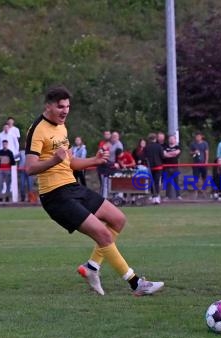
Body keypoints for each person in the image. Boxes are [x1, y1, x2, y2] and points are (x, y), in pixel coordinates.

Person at [25, 85, 163, 296]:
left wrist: (94, 160)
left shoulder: (62, 127)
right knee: (102, 234)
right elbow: (30, 168)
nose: (65, 111)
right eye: (61, 107)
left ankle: (91, 267)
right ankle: (137, 284)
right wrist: (54, 159)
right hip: (55, 196)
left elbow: (69, 162)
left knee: (118, 219)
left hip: (72, 187)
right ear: (48, 106)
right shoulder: (37, 129)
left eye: (68, 107)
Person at [144, 133, 165, 204]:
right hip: (158, 166)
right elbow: (162, 156)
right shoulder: (159, 146)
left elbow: (144, 157)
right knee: (157, 182)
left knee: (151, 182)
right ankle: (157, 197)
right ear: (155, 139)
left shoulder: (146, 147)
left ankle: (153, 196)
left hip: (150, 167)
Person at [163, 134, 182, 200]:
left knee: (176, 182)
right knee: (167, 182)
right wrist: (172, 154)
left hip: (175, 167)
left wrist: (169, 154)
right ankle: (167, 196)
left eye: (172, 139)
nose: (171, 140)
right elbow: (164, 154)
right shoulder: (165, 147)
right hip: (167, 167)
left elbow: (177, 153)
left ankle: (178, 195)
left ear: (175, 140)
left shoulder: (178, 147)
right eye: (170, 139)